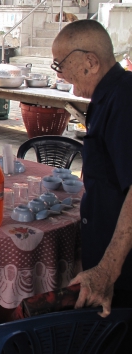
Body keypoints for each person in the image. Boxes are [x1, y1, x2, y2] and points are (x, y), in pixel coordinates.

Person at [51, 20, 132, 327]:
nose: (59, 74)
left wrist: (107, 269)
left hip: (122, 271)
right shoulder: (105, 97)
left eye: (60, 64)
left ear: (91, 62)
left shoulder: (124, 99)